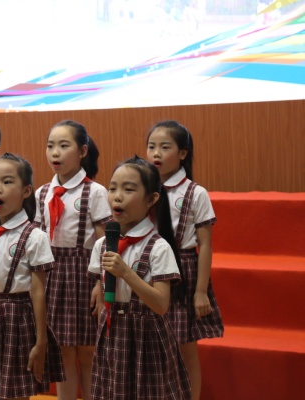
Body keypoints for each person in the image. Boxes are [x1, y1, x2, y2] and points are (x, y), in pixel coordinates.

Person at [88, 156, 191, 399]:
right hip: (113, 334)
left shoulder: (159, 247)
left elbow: (161, 304)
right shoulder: (103, 244)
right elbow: (102, 297)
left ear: (151, 199)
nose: (117, 196)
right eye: (113, 188)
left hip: (147, 336)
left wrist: (126, 273)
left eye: (128, 189)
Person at [0, 153, 65, 399]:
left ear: (26, 190)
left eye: (7, 182)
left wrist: (40, 342)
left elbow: (39, 292)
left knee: (16, 392)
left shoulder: (34, 236)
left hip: (19, 320)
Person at [146, 120, 223, 400]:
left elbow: (205, 244)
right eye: (151, 146)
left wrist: (200, 291)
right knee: (152, 347)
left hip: (183, 273)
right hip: (148, 270)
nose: (156, 153)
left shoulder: (195, 192)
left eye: (164, 147)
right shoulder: (144, 188)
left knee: (185, 350)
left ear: (182, 153)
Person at [35, 120, 111, 400]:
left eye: (63, 145)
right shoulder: (42, 193)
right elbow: (37, 240)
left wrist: (101, 284)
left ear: (82, 151)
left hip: (85, 275)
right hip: (53, 275)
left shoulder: (95, 191)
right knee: (62, 350)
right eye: (50, 146)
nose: (55, 152)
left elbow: (105, 242)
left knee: (89, 351)